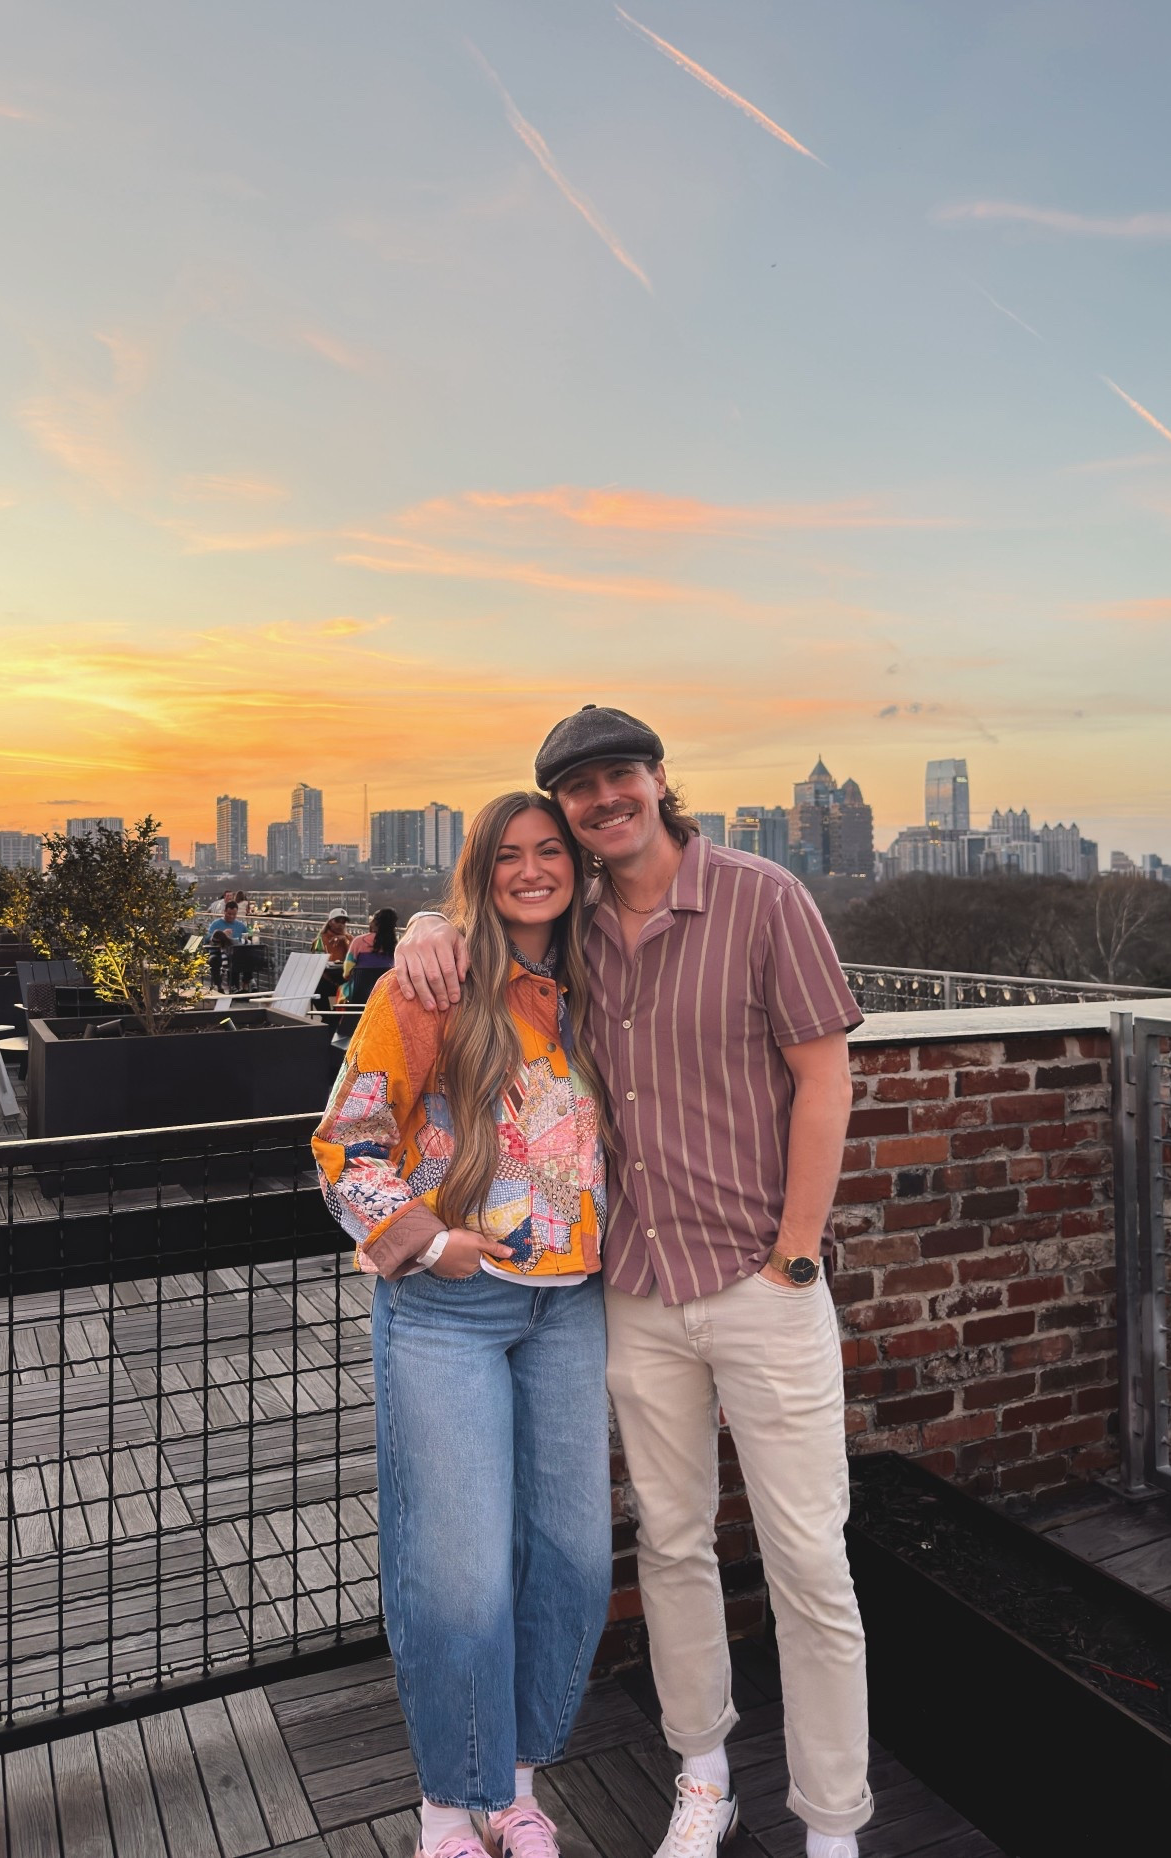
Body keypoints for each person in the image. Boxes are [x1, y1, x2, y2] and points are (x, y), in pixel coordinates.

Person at [398, 708, 871, 1858]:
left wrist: (796, 1251)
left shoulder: (766, 898)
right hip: (638, 1292)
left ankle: (833, 1821)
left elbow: (826, 1080)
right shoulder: (573, 931)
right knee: (670, 1545)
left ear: (658, 781)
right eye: (578, 790)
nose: (602, 800)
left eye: (620, 776)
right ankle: (702, 1774)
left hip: (764, 1282)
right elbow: (481, 927)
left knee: (808, 1560)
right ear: (560, 812)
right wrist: (421, 925)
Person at [313, 793, 612, 1858]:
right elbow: (345, 1145)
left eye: (552, 852)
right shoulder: (426, 983)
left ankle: (514, 1786)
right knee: (459, 1567)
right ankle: (450, 1803)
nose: (533, 871)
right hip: (448, 1307)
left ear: (578, 865)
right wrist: (428, 1242)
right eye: (509, 857)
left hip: (573, 1305)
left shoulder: (600, 985)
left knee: (573, 1557)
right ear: (479, 873)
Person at [340, 907, 397, 1006]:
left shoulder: (358, 941)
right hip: (385, 994)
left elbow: (347, 971)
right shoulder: (395, 945)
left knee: (341, 990)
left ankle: (336, 1019)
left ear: (375, 923)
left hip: (359, 994)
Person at [204, 898, 250, 987]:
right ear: (224, 912)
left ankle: (242, 986)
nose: (231, 916)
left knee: (248, 959)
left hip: (235, 953)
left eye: (234, 914)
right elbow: (207, 939)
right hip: (218, 952)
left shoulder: (241, 926)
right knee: (214, 960)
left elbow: (246, 938)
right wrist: (221, 935)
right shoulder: (216, 924)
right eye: (229, 914)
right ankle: (218, 986)